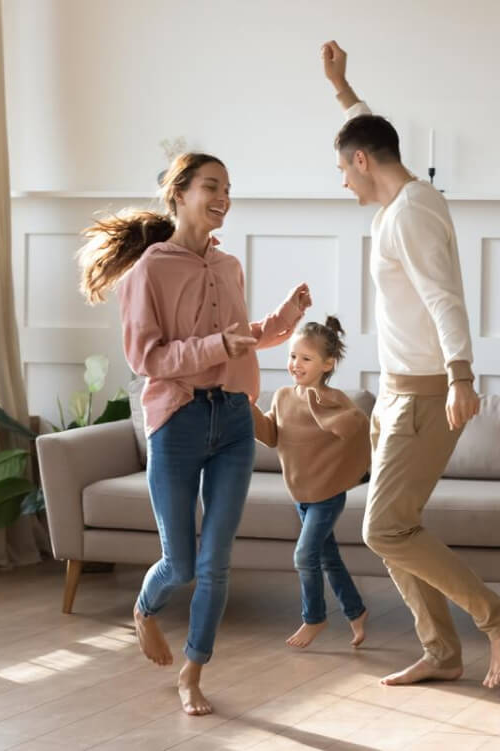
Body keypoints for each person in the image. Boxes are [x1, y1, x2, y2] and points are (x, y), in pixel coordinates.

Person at [320, 41, 500, 689]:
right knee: (394, 528)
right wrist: (342, 88)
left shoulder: (409, 213)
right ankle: (440, 651)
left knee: (383, 525)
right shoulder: (403, 199)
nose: (342, 180)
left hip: (424, 395)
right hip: (395, 393)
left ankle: (498, 618)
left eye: (342, 169)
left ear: (360, 162)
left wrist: (462, 377)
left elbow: (444, 299)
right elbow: (369, 130)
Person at [78, 152, 311, 715]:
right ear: (178, 193)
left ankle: (193, 673)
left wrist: (280, 322)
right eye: (212, 186)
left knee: (215, 564)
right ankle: (144, 609)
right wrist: (215, 347)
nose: (223, 195)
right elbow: (145, 357)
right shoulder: (150, 270)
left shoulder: (228, 267)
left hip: (231, 419)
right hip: (177, 423)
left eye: (228, 187)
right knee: (179, 563)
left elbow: (235, 337)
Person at [252, 316, 370, 649]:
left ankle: (313, 618)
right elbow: (272, 435)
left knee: (304, 556)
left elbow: (352, 427)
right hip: (300, 493)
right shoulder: (283, 396)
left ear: (327, 364)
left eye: (306, 358)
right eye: (293, 356)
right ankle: (357, 612)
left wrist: (322, 411)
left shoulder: (335, 400)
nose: (295, 364)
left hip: (327, 494)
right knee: (327, 558)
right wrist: (247, 411)